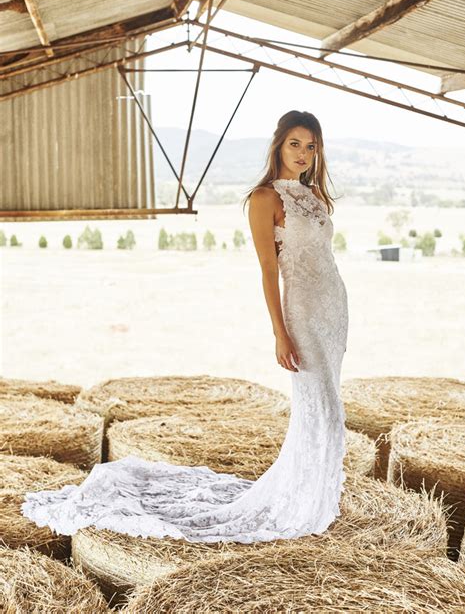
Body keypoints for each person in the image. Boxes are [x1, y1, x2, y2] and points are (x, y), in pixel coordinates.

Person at [22, 110, 349, 545]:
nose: (304, 153)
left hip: (333, 310)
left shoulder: (314, 198)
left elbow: (325, 261)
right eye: (295, 143)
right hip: (303, 312)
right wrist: (279, 331)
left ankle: (314, 492)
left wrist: (338, 310)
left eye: (311, 145)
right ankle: (303, 499)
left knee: (329, 402)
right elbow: (269, 271)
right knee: (320, 405)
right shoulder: (265, 199)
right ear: (278, 145)